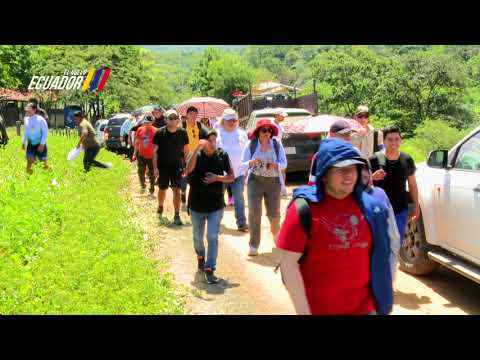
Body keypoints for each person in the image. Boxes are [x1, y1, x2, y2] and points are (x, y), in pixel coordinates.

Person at [277, 139, 394, 315]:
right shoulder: (303, 209)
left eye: (354, 168)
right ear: (324, 173)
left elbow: (383, 257)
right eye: (341, 169)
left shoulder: (372, 208)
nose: (349, 175)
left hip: (365, 309)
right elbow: (288, 264)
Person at [186, 130, 234, 284]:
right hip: (196, 205)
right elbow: (188, 170)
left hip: (216, 205)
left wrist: (217, 178)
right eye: (209, 140)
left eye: (215, 140)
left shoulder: (222, 155)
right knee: (197, 238)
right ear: (203, 142)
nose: (213, 143)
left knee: (212, 237)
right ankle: (201, 256)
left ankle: (209, 268)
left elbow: (232, 176)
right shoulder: (197, 155)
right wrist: (195, 150)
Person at [240, 119, 287, 256]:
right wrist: (251, 162)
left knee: (274, 215)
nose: (267, 133)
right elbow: (242, 165)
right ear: (258, 132)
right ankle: (253, 245)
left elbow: (284, 163)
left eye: (269, 131)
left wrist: (276, 165)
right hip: (255, 181)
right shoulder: (251, 145)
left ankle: (276, 234)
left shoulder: (277, 145)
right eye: (264, 130)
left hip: (273, 183)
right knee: (254, 213)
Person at [369, 125, 420, 247]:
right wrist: (372, 177)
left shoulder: (406, 159)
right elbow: (361, 184)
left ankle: (392, 265)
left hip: (400, 210)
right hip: (379, 211)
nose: (394, 143)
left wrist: (416, 206)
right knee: (379, 245)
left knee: (396, 244)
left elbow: (412, 184)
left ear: (401, 140)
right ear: (384, 141)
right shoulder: (374, 159)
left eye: (397, 139)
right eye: (390, 139)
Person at [152, 109, 189, 225]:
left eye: (175, 118)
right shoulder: (159, 133)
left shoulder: (182, 132)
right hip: (163, 166)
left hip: (177, 166)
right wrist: (155, 168)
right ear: (166, 120)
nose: (174, 120)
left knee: (177, 190)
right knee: (162, 189)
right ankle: (160, 206)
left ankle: (177, 215)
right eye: (171, 118)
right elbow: (154, 152)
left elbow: (186, 151)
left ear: (178, 119)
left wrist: (186, 166)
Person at [216, 109, 249, 232]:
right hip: (221, 174)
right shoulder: (216, 133)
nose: (232, 122)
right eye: (229, 120)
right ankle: (216, 223)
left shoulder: (242, 133)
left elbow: (247, 152)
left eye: (234, 120)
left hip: (238, 173)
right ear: (223, 121)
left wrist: (246, 169)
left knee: (239, 198)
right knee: (218, 199)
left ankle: (242, 223)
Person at [308, 118, 358, 186]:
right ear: (332, 135)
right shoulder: (320, 156)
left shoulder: (356, 153)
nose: (348, 138)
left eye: (349, 134)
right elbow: (312, 183)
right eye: (344, 134)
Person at [181, 106, 208, 205]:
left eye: (195, 114)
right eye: (191, 114)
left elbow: (207, 137)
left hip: (198, 155)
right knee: (184, 176)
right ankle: (183, 192)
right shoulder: (182, 126)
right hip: (185, 155)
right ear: (187, 115)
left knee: (197, 176)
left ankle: (197, 197)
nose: (193, 116)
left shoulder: (200, 126)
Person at [22, 103, 49, 174]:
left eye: (29, 108)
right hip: (30, 144)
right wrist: (23, 142)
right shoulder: (26, 119)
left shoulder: (40, 119)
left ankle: (50, 177)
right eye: (26, 108)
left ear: (34, 110)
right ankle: (29, 180)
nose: (27, 110)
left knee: (44, 164)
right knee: (29, 162)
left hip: (40, 144)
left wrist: (42, 144)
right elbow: (26, 132)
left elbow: (45, 132)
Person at [134, 115, 157, 194]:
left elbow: (159, 144)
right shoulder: (140, 129)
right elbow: (137, 142)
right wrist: (134, 153)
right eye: (145, 122)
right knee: (141, 171)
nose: (146, 124)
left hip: (152, 156)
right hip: (141, 155)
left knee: (152, 173)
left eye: (148, 123)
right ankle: (143, 184)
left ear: (152, 122)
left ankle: (152, 187)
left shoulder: (156, 131)